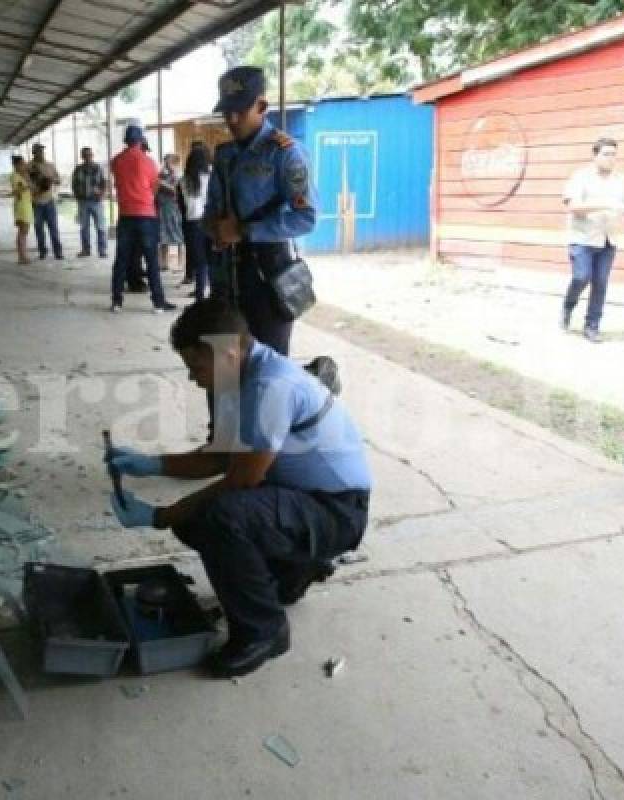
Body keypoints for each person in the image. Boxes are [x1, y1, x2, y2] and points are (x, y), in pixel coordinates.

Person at [105, 300, 371, 678]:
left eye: (196, 367)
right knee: (198, 518)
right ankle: (290, 574)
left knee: (220, 517)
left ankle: (264, 632)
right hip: (305, 499)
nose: (194, 379)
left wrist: (160, 516)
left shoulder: (269, 387)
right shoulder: (237, 377)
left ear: (227, 352)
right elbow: (219, 456)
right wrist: (151, 463)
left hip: (338, 511)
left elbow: (242, 480)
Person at [204, 66, 317, 356]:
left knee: (267, 378)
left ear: (262, 106)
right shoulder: (224, 155)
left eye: (240, 110)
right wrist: (213, 227)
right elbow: (211, 208)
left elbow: (306, 217)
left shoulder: (285, 153)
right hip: (225, 278)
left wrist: (244, 230)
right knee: (223, 379)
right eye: (226, 110)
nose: (231, 119)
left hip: (268, 278)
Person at [561, 137, 624, 343]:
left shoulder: (622, 180)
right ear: (595, 156)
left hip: (608, 239)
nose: (611, 158)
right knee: (581, 277)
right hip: (583, 238)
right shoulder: (580, 177)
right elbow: (573, 207)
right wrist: (604, 204)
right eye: (606, 154)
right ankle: (568, 306)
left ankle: (592, 326)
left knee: (600, 283)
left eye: (614, 154)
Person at [109, 125, 176, 313]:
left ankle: (117, 301)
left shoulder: (116, 161)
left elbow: (118, 181)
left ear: (126, 141)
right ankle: (158, 302)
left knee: (121, 259)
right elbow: (154, 188)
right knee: (151, 260)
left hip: (125, 215)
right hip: (146, 215)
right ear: (141, 141)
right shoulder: (148, 162)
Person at [181, 143, 214, 300]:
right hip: (210, 221)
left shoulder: (183, 181)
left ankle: (200, 294)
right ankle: (214, 293)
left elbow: (181, 205)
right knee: (212, 259)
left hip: (193, 223)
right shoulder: (212, 177)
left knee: (199, 260)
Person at [28, 143, 64, 261]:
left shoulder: (50, 165)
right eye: (38, 151)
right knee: (39, 229)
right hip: (35, 202)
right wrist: (35, 189)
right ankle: (42, 251)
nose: (41, 153)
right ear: (34, 153)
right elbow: (26, 182)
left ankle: (58, 252)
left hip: (49, 201)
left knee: (53, 228)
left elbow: (59, 180)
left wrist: (51, 180)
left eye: (42, 151)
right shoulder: (29, 167)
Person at [71, 147, 108, 259]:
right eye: (85, 155)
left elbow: (105, 182)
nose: (88, 157)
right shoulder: (78, 169)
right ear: (82, 156)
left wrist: (101, 194)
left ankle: (102, 250)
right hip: (83, 202)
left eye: (89, 155)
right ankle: (86, 250)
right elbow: (74, 184)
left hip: (96, 202)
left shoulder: (99, 167)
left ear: (92, 155)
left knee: (100, 227)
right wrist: (77, 197)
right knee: (84, 227)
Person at [157, 154, 185, 271]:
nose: (166, 165)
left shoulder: (179, 176)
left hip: (174, 209)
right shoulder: (162, 175)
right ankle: (163, 263)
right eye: (165, 162)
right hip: (163, 208)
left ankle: (181, 263)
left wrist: (162, 184)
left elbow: (177, 191)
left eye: (168, 162)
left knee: (179, 236)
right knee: (163, 237)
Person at [10, 155, 33, 265]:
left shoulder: (23, 175)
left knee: (25, 231)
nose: (24, 166)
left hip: (27, 205)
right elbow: (17, 191)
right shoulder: (15, 176)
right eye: (22, 164)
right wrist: (27, 185)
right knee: (22, 232)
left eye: (24, 164)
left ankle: (23, 255)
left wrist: (27, 178)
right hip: (21, 206)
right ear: (16, 165)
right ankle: (21, 256)